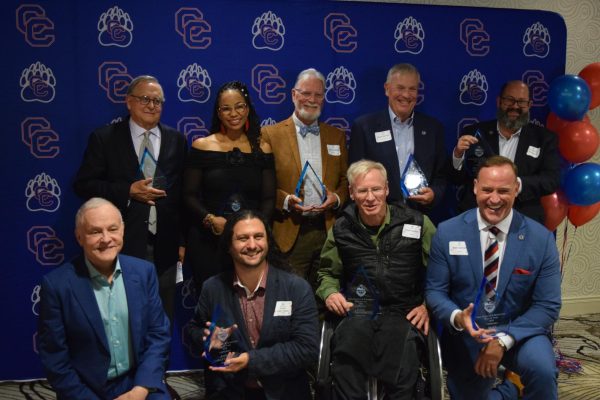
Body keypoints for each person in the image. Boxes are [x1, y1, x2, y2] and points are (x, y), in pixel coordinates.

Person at [425, 156, 561, 399]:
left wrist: (502, 340)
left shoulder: (541, 239)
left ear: (516, 189)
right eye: (487, 189)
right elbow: (435, 291)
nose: (494, 199)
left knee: (542, 371)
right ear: (475, 186)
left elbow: (548, 305)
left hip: (520, 332)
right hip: (468, 335)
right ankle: (510, 390)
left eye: (503, 191)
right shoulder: (448, 232)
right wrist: (458, 318)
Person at [316, 160, 436, 400]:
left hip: (403, 311)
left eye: (376, 189)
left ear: (387, 189)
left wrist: (427, 305)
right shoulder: (341, 228)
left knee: (402, 364)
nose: (370, 197)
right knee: (346, 359)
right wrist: (330, 293)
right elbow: (327, 274)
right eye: (362, 191)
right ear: (351, 193)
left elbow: (441, 274)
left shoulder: (417, 223)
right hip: (358, 311)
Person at [73, 75, 187, 322]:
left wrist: (182, 241)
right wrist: (127, 191)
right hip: (120, 245)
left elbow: (181, 195)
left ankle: (158, 363)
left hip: (165, 250)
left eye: (157, 101)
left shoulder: (177, 140)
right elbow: (84, 185)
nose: (151, 105)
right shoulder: (105, 138)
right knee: (124, 321)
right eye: (145, 99)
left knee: (161, 321)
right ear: (128, 102)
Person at [38, 198, 171, 400]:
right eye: (95, 232)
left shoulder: (144, 272)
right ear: (79, 237)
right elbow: (55, 358)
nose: (106, 238)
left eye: (112, 229)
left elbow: (158, 334)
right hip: (86, 389)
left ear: (123, 230)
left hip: (139, 381)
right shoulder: (57, 285)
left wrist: (140, 389)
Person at [186, 209, 319, 400]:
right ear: (229, 246)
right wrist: (206, 338)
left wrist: (251, 360)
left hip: (284, 393)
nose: (252, 245)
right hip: (230, 391)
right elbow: (193, 330)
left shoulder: (296, 288)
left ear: (267, 242)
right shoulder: (213, 288)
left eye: (258, 236)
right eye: (242, 238)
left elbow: (307, 349)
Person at [183, 81, 275, 293]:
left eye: (239, 106)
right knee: (213, 307)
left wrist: (252, 230)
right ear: (218, 113)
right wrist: (210, 220)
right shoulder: (202, 146)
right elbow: (188, 196)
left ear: (247, 108)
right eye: (226, 108)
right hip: (208, 243)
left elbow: (269, 199)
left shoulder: (263, 148)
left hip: (250, 245)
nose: (233, 113)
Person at [261, 68, 348, 287]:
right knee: (288, 296)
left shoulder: (336, 136)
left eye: (318, 95)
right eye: (306, 93)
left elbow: (346, 181)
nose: (312, 100)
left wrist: (336, 199)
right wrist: (287, 201)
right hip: (289, 229)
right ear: (293, 94)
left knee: (326, 293)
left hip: (327, 229)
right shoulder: (270, 134)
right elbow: (262, 184)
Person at [449, 80, 560, 224]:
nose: (515, 106)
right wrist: (458, 155)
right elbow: (457, 179)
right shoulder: (474, 133)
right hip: (476, 216)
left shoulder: (544, 138)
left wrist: (515, 184)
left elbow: (551, 180)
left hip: (523, 217)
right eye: (509, 100)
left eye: (521, 102)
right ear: (499, 101)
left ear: (529, 105)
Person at [349, 63, 446, 215]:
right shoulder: (364, 127)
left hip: (419, 216)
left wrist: (434, 194)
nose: (406, 95)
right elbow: (354, 177)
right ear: (387, 89)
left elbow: (441, 176)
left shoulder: (433, 128)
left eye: (412, 89)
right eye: (400, 88)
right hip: (377, 217)